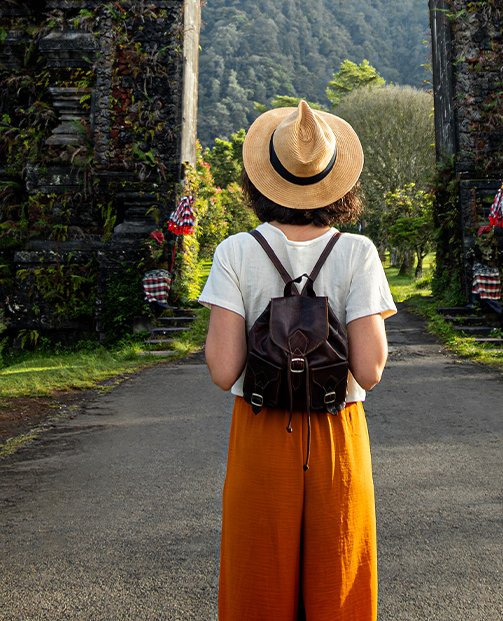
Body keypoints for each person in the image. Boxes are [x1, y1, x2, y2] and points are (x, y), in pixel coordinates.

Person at [198, 100, 396, 621]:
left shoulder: (235, 251)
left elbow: (223, 371)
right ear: (338, 182)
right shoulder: (358, 252)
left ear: (263, 180)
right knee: (339, 586)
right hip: (337, 433)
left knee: (256, 587)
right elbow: (370, 372)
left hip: (261, 428)